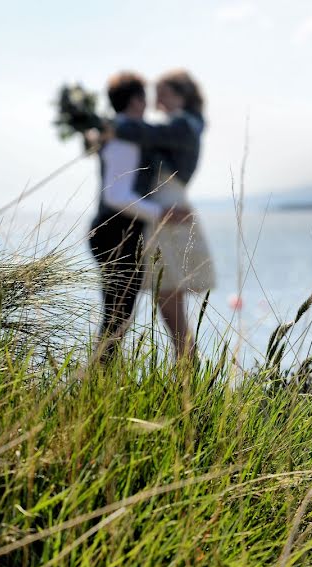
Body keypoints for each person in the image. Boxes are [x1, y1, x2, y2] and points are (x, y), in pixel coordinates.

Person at [107, 69, 215, 359]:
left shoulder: (183, 125)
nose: (157, 100)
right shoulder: (183, 125)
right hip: (166, 208)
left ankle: (188, 370)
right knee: (169, 299)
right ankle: (188, 372)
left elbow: (145, 133)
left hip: (168, 212)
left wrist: (104, 127)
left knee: (168, 297)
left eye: (163, 93)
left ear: (181, 95)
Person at [86, 71, 191, 359]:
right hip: (117, 233)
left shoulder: (119, 132)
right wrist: (163, 213)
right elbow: (116, 196)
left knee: (118, 317)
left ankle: (96, 382)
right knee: (117, 318)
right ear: (134, 101)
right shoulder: (126, 139)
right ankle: (94, 384)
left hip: (115, 231)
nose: (147, 104)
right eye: (143, 97)